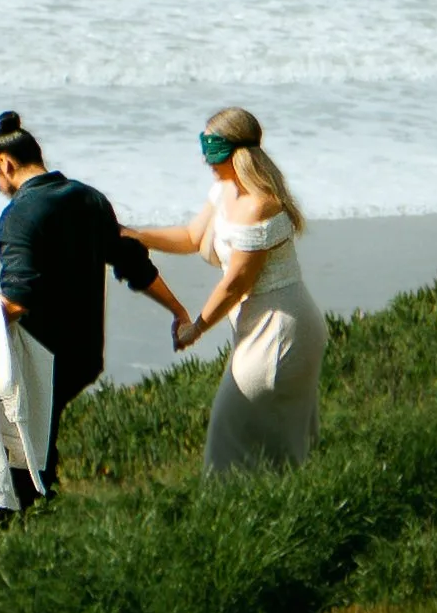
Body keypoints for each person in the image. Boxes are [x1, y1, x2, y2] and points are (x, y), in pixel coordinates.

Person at [0, 110, 190, 530]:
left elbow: (19, 297)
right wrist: (179, 310)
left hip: (39, 352)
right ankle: (27, 508)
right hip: (82, 355)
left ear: (5, 164)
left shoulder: (20, 214)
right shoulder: (89, 198)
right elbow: (133, 263)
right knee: (38, 427)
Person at [125, 105, 327, 477]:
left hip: (281, 330)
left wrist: (195, 328)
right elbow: (191, 237)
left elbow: (236, 284)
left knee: (228, 432)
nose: (207, 164)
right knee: (269, 442)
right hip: (255, 327)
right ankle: (273, 511)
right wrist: (135, 235)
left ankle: (226, 515)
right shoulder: (223, 190)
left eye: (213, 156)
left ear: (238, 155)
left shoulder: (260, 206)